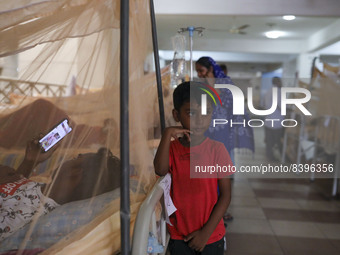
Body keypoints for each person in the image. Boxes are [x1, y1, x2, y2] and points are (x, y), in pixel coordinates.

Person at [154, 81, 233, 254]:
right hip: (179, 235)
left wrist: (206, 233)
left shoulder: (217, 150)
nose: (199, 121)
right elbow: (159, 170)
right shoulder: (172, 149)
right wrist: (167, 134)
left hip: (210, 235)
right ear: (177, 115)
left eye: (206, 113)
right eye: (191, 113)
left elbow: (226, 195)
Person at [0, 135, 120, 241]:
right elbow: (13, 191)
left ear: (76, 172)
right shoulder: (41, 190)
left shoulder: (24, 214)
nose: (67, 160)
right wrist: (30, 161)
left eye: (76, 158)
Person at [264, 76, 284, 161]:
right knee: (279, 141)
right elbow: (280, 105)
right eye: (280, 82)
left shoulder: (268, 91)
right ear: (278, 82)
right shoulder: (278, 91)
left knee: (269, 141)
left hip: (268, 120)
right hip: (277, 121)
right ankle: (284, 157)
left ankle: (270, 156)